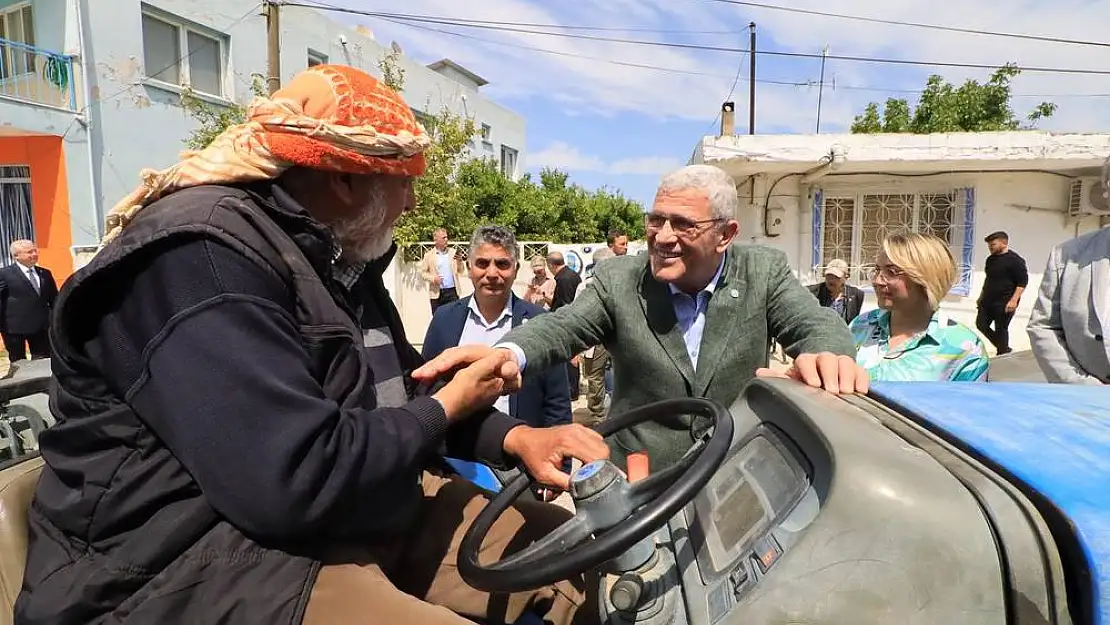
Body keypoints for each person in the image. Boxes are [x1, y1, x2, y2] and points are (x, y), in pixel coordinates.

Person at [16, 65, 607, 625]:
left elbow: (404, 391)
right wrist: (449, 406)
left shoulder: (333, 257)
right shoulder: (200, 260)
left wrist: (516, 436)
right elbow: (291, 479)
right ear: (345, 179)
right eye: (406, 184)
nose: (412, 205)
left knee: (578, 561)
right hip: (185, 561)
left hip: (345, 509)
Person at [417, 164, 866, 471]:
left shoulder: (762, 271)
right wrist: (510, 353)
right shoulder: (620, 279)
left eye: (683, 224)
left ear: (726, 234)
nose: (662, 237)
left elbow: (816, 324)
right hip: (639, 484)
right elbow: (562, 326)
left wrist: (827, 354)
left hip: (737, 478)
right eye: (656, 220)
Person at [422, 225, 572, 439]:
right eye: (482, 263)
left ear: (516, 269)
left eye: (502, 264)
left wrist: (558, 464)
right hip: (458, 462)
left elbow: (558, 407)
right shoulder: (444, 319)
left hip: (521, 463)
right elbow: (427, 393)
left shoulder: (541, 323)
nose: (492, 273)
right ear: (469, 267)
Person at [850, 233, 989, 382]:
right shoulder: (861, 325)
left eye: (891, 272)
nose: (878, 281)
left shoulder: (964, 349)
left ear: (925, 278)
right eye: (877, 270)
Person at [1027, 161, 1110, 384]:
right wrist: (1082, 386)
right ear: (1107, 189)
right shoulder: (1068, 256)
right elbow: (1044, 326)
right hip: (1087, 406)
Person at [576, 247, 615, 427]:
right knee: (594, 377)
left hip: (618, 338)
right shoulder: (586, 286)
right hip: (596, 340)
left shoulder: (622, 284)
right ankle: (598, 415)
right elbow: (577, 315)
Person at [0, 239, 57, 361]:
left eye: (35, 251)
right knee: (18, 363)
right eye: (29, 252)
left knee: (43, 361)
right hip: (14, 329)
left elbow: (54, 299)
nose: (34, 255)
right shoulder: (4, 274)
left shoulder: (45, 273)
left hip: (41, 328)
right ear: (16, 256)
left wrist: (54, 320)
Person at [975, 231, 1028, 355]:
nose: (990, 247)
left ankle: (1002, 353)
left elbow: (1022, 282)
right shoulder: (990, 260)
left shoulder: (1015, 260)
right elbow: (989, 279)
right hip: (987, 301)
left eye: (993, 244)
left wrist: (1014, 301)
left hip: (1005, 302)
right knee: (981, 324)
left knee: (1001, 329)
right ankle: (1004, 348)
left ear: (1004, 243)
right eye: (989, 245)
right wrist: (981, 297)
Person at [808, 258, 864, 324]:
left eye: (836, 277)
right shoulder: (812, 292)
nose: (831, 280)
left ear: (846, 277)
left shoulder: (856, 295)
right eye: (828, 276)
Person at [421, 227, 462, 312]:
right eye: (444, 238)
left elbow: (461, 271)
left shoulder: (453, 252)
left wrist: (460, 262)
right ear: (436, 240)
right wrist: (433, 279)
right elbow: (423, 273)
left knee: (455, 319)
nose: (447, 239)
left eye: (447, 237)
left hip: (453, 292)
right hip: (437, 294)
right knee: (438, 321)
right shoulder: (429, 255)